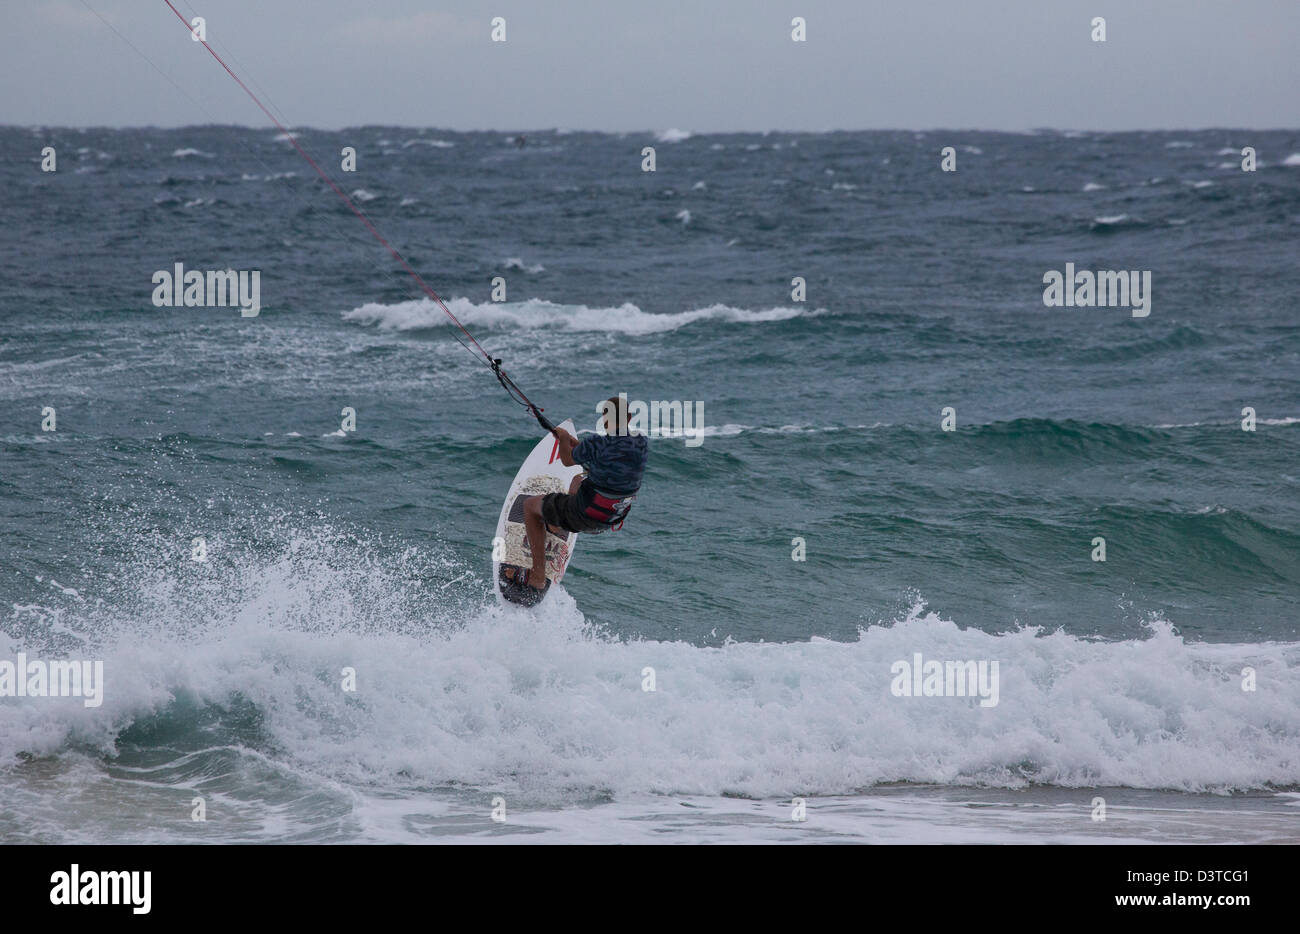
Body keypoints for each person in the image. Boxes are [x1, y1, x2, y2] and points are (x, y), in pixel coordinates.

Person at [521, 395, 648, 590]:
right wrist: (573, 443)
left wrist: (563, 439)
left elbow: (566, 460)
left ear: (605, 419)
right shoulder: (641, 443)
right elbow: (603, 454)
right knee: (577, 480)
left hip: (585, 515)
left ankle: (538, 575)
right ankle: (555, 526)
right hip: (612, 516)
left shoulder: (596, 443)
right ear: (629, 418)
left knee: (529, 506)